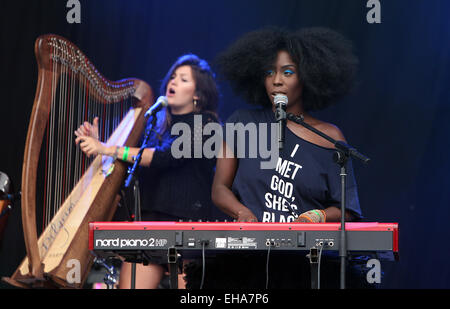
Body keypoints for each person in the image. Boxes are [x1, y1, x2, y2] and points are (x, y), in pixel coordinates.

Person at [184, 27, 373, 289]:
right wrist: (242, 212)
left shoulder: (329, 137)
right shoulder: (242, 123)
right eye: (269, 72)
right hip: (247, 262)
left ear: (307, 77)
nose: (276, 80)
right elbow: (219, 188)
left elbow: (347, 209)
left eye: (287, 72)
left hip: (307, 264)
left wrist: (316, 216)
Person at [75, 54, 228, 289]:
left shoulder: (207, 125)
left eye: (184, 79)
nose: (173, 82)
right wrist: (101, 147)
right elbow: (137, 162)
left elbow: (166, 157)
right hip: (150, 223)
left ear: (198, 94)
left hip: (187, 226)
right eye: (173, 77)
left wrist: (108, 148)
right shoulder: (156, 126)